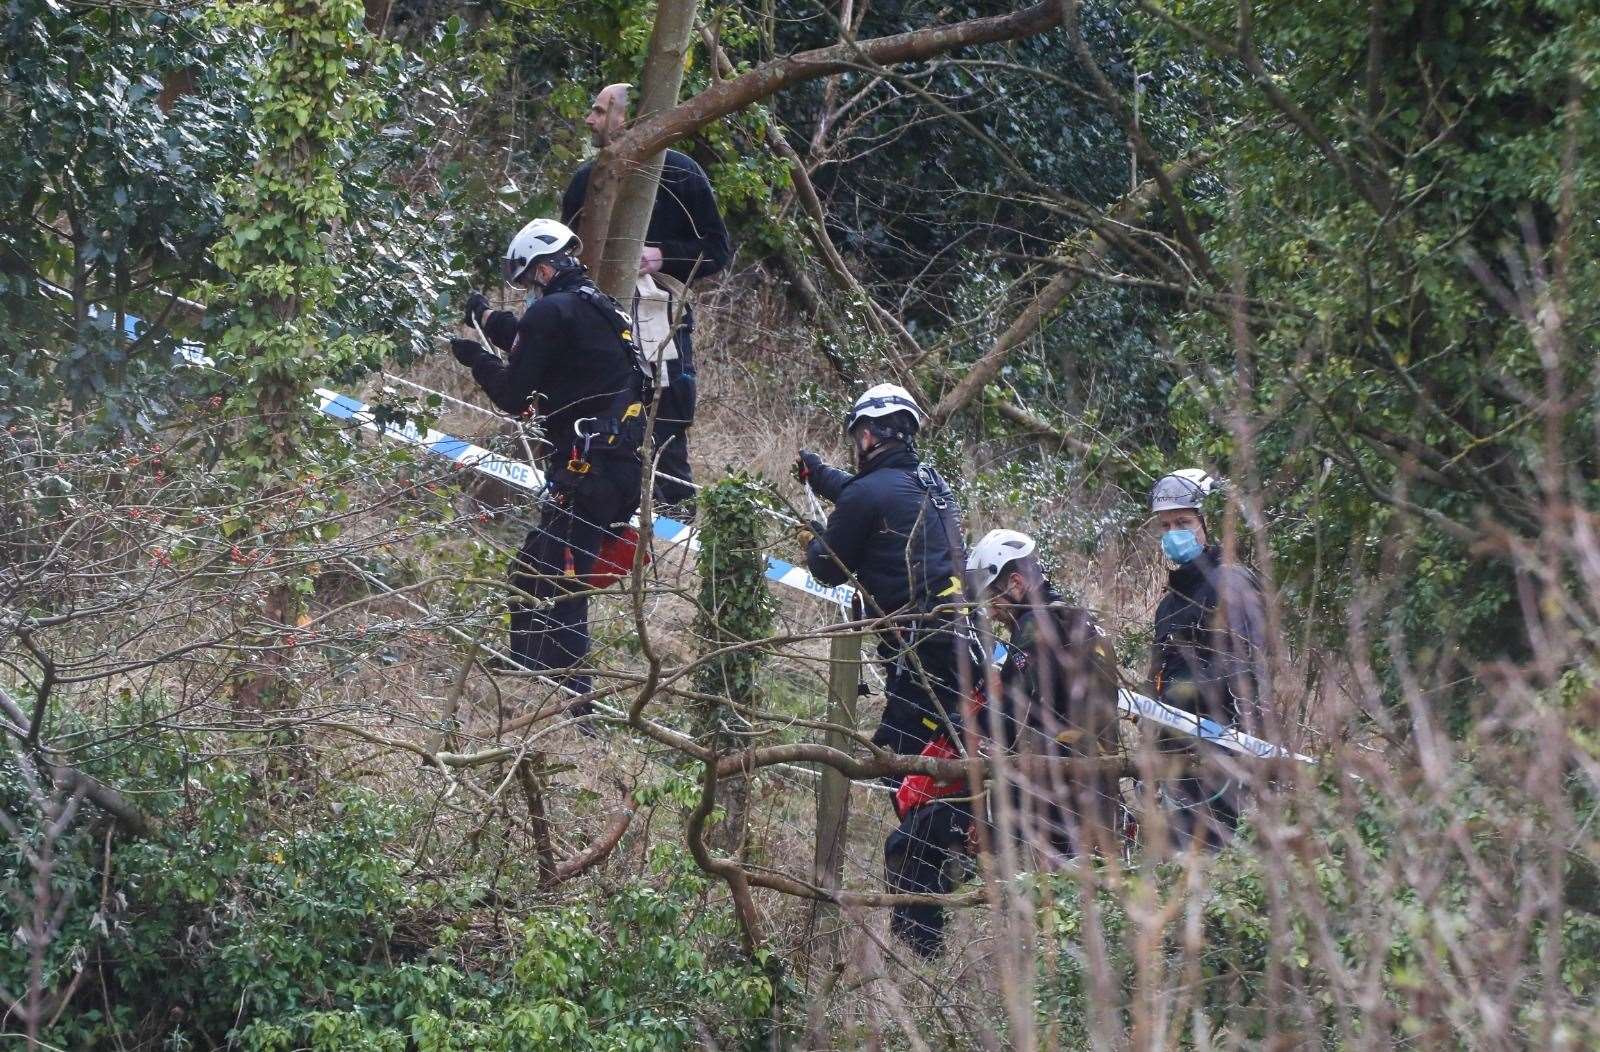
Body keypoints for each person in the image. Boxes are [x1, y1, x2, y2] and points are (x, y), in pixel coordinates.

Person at [452, 219, 647, 708]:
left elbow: (517, 396)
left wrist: (478, 358)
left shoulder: (553, 313)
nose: (527, 293)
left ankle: (577, 705)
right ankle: (530, 669)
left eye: (526, 282)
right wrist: (489, 319)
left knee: (564, 584)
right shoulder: (598, 306)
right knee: (532, 568)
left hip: (587, 470)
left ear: (541, 270)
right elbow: (541, 345)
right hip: (617, 468)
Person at [562, 83, 731, 514]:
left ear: (627, 119)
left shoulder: (681, 173)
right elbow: (564, 254)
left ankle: (676, 521)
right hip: (597, 314)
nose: (590, 120)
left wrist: (662, 256)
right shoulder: (587, 180)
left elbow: (717, 251)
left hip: (661, 317)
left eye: (599, 112)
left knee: (667, 424)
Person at [796, 383, 973, 763]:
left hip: (915, 652)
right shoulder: (932, 482)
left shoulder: (870, 493)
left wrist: (813, 539)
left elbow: (828, 569)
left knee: (906, 761)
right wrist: (820, 475)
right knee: (944, 753)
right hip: (954, 640)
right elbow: (870, 495)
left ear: (868, 434)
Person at [967, 529, 1123, 860]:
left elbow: (1010, 719)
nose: (991, 613)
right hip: (1098, 783)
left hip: (1058, 793)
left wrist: (967, 722)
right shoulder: (1075, 618)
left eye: (991, 600)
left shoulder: (1034, 628)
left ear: (1016, 583)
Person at [1145, 469, 1267, 849]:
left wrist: (1249, 751)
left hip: (1223, 759)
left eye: (1183, 522)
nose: (1173, 533)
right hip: (1177, 759)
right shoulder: (1169, 604)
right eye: (1165, 525)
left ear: (1206, 523)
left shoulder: (1230, 585)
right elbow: (1158, 677)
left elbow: (1250, 674)